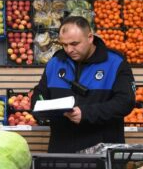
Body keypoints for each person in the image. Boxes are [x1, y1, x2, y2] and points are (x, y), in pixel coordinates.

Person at [32, 16, 135, 153]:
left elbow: (125, 102)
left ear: (90, 37)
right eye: (64, 45)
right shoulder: (55, 62)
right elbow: (40, 94)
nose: (69, 50)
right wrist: (40, 112)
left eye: (74, 44)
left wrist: (87, 113)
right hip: (61, 151)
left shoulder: (115, 62)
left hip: (103, 153)